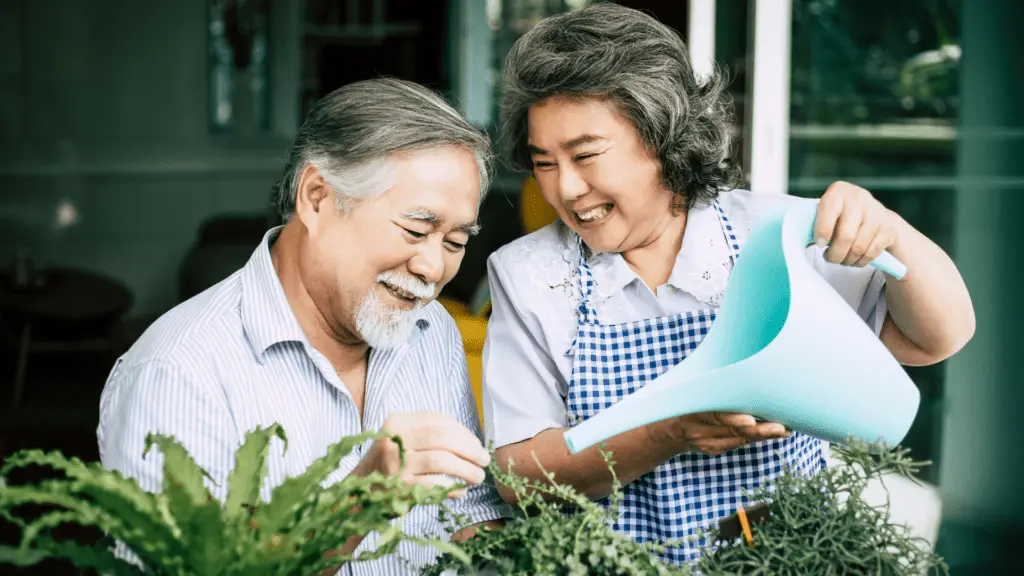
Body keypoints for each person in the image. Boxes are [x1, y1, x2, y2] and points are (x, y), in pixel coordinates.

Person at [482, 3, 975, 566]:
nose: (566, 189)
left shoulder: (778, 236)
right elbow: (519, 477)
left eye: (586, 155)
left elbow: (936, 338)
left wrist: (891, 233)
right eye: (544, 163)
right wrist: (666, 433)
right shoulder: (528, 276)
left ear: (661, 134)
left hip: (791, 559)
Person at [97, 78, 506, 575]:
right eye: (416, 230)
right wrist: (361, 498)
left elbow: (472, 515)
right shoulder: (176, 370)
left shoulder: (432, 330)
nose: (432, 267)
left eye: (456, 242)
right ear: (316, 197)